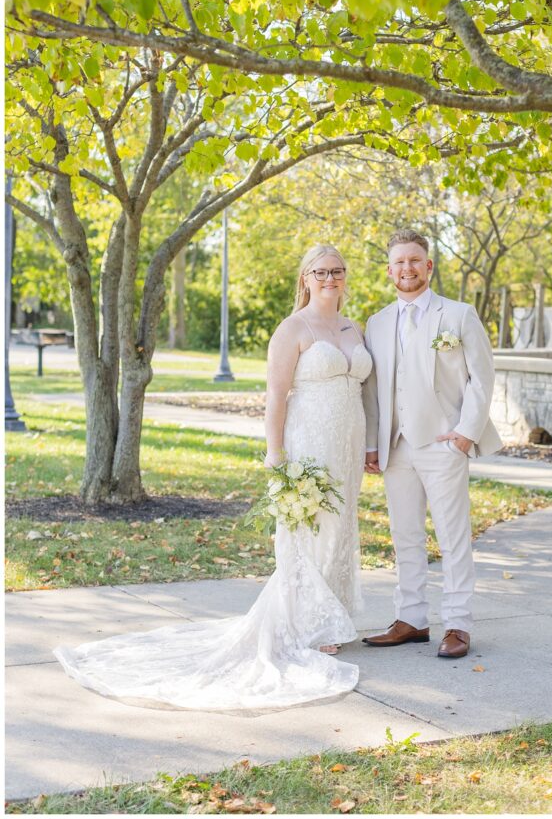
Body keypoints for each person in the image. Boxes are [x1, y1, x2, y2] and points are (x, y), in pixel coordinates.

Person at [54, 245, 372, 711]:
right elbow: (276, 397)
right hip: (309, 441)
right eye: (321, 271)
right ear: (305, 278)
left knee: (340, 529)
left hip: (347, 441)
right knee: (306, 531)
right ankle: (308, 624)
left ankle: (333, 616)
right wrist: (275, 453)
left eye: (337, 271)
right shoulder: (292, 329)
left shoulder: (352, 327)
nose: (330, 278)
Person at [362, 229, 502, 660]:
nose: (407, 268)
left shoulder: (458, 316)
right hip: (396, 446)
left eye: (415, 260)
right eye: (399, 262)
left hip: (443, 442)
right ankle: (411, 619)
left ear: (429, 266)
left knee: (452, 536)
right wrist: (372, 444)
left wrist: (464, 433)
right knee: (404, 535)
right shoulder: (377, 322)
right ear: (389, 271)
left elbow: (483, 376)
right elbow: (373, 391)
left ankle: (457, 623)